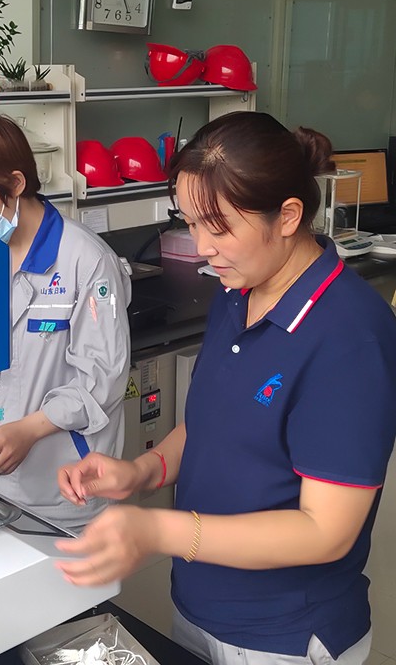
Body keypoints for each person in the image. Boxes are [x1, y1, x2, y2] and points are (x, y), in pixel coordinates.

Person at [55, 111, 396, 664]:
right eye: (190, 223)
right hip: (201, 605)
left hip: (285, 635)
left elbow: (325, 531)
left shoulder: (349, 337)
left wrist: (158, 531)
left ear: (288, 216)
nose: (202, 247)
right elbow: (213, 423)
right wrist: (140, 472)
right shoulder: (238, 292)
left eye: (219, 228)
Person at [0, 114, 132, 529]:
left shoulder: (86, 260)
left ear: (16, 184)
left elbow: (104, 378)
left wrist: (29, 430)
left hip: (67, 490)